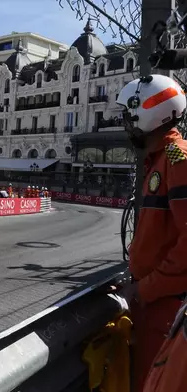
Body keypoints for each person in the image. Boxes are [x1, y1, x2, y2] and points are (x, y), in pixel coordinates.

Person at [115, 74, 187, 392]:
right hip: (155, 303)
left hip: (165, 307)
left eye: (129, 119)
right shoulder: (162, 159)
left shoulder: (177, 158)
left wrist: (146, 288)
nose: (126, 127)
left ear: (149, 113)